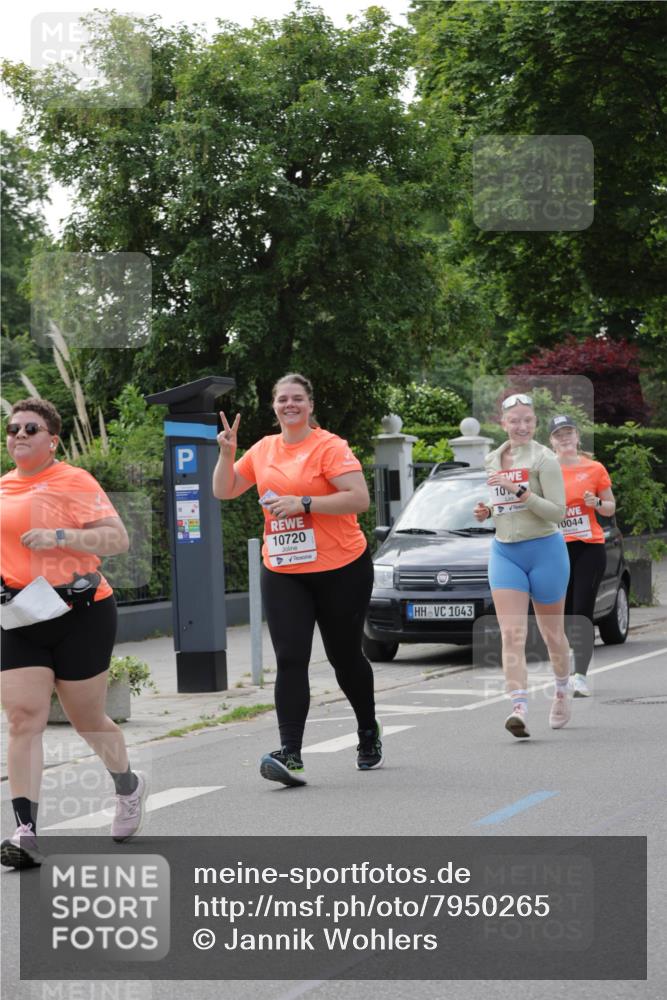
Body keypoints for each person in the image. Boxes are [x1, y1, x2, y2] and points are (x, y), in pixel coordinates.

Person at [212, 373, 382, 786]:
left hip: (341, 566)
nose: (290, 405)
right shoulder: (263, 449)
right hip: (285, 569)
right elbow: (224, 490)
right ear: (274, 406)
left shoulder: (329, 446)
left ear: (310, 404)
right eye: (282, 399)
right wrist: (227, 453)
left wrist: (305, 502)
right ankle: (291, 753)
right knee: (290, 659)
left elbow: (359, 497)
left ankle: (367, 729)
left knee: (344, 656)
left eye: (297, 399)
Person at [0, 398, 148, 869]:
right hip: (22, 617)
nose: (19, 435)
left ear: (52, 439)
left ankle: (127, 785)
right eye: (12, 429)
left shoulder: (75, 481)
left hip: (81, 612)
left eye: (30, 428)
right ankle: (25, 831)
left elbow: (119, 539)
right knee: (24, 718)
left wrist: (61, 537)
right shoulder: (1, 488)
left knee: (88, 721)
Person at [473, 393, 571, 738]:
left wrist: (518, 491)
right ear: (503, 423)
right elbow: (502, 507)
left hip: (545, 550)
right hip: (505, 552)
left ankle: (561, 690)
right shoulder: (491, 459)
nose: (522, 426)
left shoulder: (546, 459)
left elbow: (557, 512)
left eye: (528, 420)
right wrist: (487, 511)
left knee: (551, 634)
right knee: (512, 633)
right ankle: (519, 708)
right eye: (515, 420)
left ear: (535, 423)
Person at [548, 414, 616, 697]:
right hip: (554, 549)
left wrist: (597, 502)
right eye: (559, 435)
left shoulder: (595, 468)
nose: (565, 439)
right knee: (559, 615)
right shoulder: (545, 470)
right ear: (551, 441)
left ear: (577, 438)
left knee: (582, 611)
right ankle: (563, 673)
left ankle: (581, 677)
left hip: (589, 547)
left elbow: (610, 507)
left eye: (569, 433)